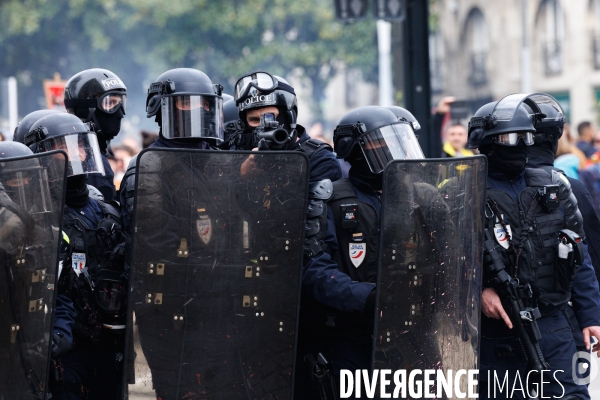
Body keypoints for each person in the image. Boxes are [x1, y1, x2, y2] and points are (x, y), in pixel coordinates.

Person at [467, 94, 600, 399]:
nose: (520, 144)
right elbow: (444, 266)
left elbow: (578, 257)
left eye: (526, 135)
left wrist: (592, 317)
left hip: (552, 322)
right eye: (510, 137)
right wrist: (479, 292)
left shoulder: (553, 185)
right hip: (493, 336)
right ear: (486, 142)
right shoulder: (462, 191)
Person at [297, 105, 426, 397]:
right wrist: (367, 298)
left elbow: (445, 257)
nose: (393, 152)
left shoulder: (419, 197)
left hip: (411, 334)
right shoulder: (328, 198)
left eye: (397, 142)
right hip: (351, 335)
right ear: (354, 149)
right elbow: (312, 268)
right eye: (382, 144)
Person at [23, 112, 127, 399]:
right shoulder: (40, 216)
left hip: (108, 341)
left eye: (79, 144)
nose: (74, 153)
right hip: (65, 347)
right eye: (63, 147)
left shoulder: (107, 211)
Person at [0, 141, 75, 399]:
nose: (22, 188)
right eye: (12, 182)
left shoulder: (53, 237)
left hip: (35, 361)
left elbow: (63, 293)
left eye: (27, 180)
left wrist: (60, 332)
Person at [232, 71, 341, 183]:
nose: (262, 125)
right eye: (254, 120)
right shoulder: (239, 156)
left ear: (289, 118)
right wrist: (242, 174)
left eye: (269, 117)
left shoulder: (319, 159)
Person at [64, 68, 127, 202]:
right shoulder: (90, 163)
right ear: (84, 110)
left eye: (121, 103)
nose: (120, 113)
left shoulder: (94, 156)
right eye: (110, 103)